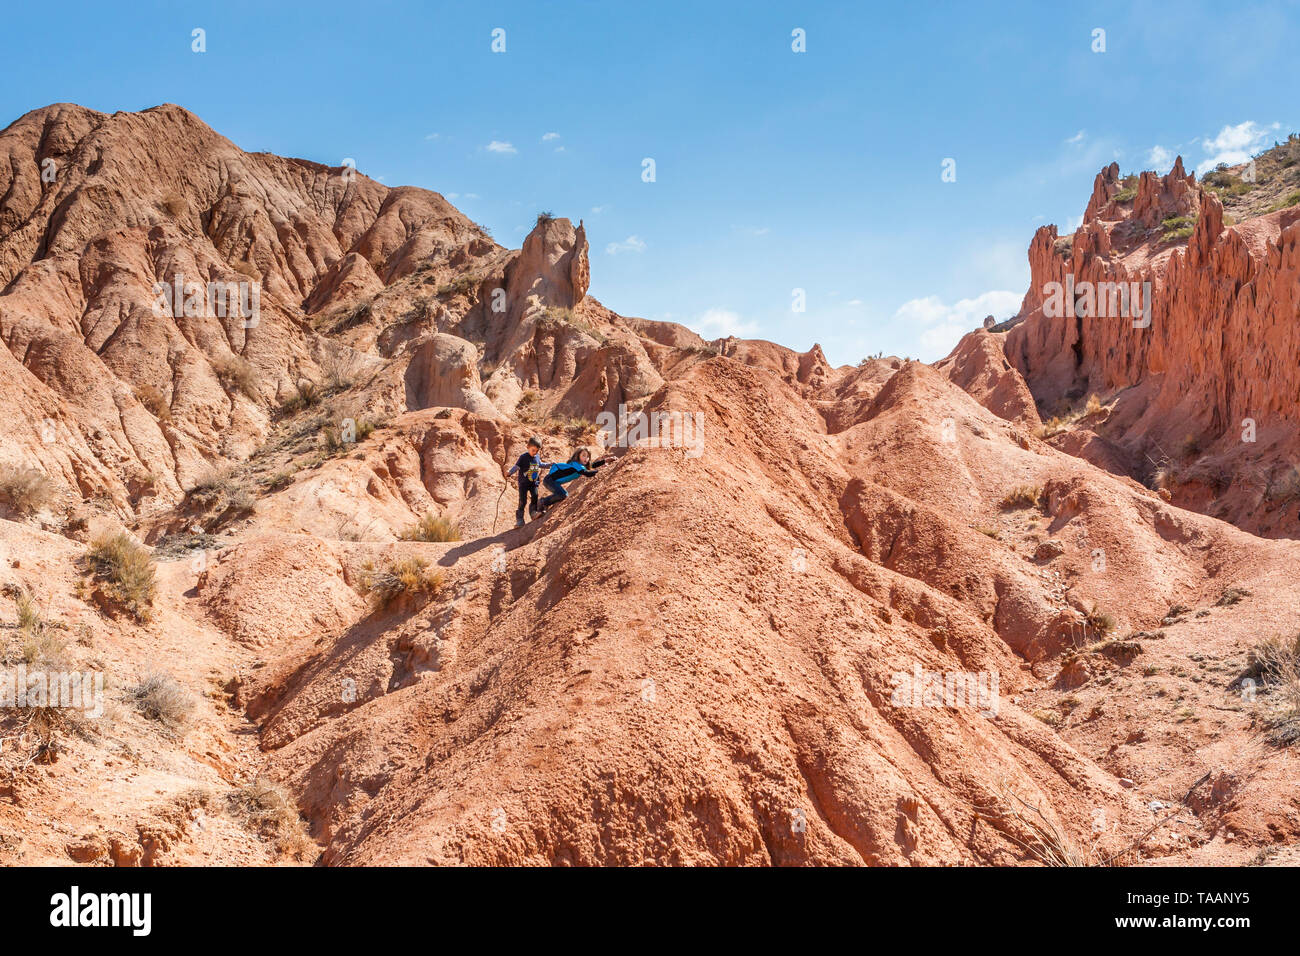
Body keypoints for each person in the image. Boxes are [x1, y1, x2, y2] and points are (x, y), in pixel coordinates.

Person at [538, 448, 611, 513]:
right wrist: (600, 470)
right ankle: (542, 502)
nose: (586, 458)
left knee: (562, 494)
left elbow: (592, 465)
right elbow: (587, 473)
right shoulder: (576, 464)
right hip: (549, 480)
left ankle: (545, 503)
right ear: (577, 456)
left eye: (588, 456)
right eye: (583, 455)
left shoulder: (581, 466)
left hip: (554, 481)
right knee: (563, 495)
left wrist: (605, 461)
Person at [505, 437, 549, 527]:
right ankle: (520, 520)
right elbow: (516, 467)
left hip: (534, 483)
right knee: (523, 501)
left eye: (537, 451)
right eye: (533, 450)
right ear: (528, 447)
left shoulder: (537, 457)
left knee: (534, 497)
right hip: (523, 484)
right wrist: (510, 472)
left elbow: (540, 464)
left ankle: (533, 513)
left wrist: (549, 464)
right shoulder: (523, 457)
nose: (535, 453)